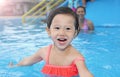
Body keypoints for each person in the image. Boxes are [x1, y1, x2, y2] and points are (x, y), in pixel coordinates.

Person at [9, 7, 93, 77]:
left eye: (68, 28)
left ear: (75, 33)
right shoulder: (44, 52)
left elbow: (85, 73)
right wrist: (15, 66)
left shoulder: (76, 57)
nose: (62, 33)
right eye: (57, 28)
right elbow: (28, 61)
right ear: (49, 31)